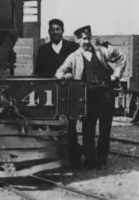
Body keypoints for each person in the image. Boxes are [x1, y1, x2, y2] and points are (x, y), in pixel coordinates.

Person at [56, 25, 126, 169]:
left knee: (105, 131)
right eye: (83, 39)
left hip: (106, 96)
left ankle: (102, 160)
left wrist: (115, 76)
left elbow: (122, 58)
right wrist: (66, 75)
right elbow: (58, 73)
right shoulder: (74, 57)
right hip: (88, 98)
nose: (87, 41)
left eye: (88, 38)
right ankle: (90, 159)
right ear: (77, 40)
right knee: (88, 131)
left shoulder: (101, 51)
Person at [34, 18, 81, 166]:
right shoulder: (43, 50)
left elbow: (79, 68)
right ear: (49, 32)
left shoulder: (73, 47)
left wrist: (71, 75)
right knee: (52, 125)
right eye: (52, 30)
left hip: (68, 92)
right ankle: (54, 157)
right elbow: (38, 73)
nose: (55, 32)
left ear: (62, 31)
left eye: (57, 29)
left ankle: (73, 158)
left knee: (71, 125)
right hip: (50, 94)